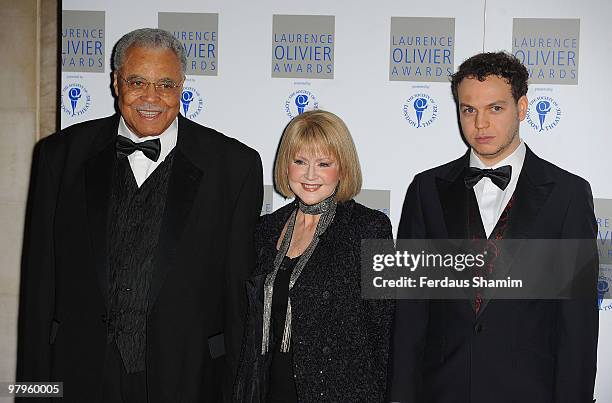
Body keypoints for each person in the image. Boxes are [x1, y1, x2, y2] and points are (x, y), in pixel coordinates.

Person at [17, 28, 262, 402]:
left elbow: (238, 303)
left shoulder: (234, 167)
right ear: (117, 83)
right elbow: (37, 290)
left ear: (182, 88)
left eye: (165, 84)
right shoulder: (59, 157)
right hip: (78, 374)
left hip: (189, 378)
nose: (151, 97)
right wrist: (32, 393)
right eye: (137, 82)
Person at [389, 52, 598, 402]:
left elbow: (577, 322)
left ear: (523, 106)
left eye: (495, 108)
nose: (480, 124)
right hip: (441, 390)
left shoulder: (568, 195)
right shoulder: (425, 190)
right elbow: (411, 310)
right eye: (469, 110)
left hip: (531, 392)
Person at [234, 110, 393, 402]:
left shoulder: (369, 227)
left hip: (340, 393)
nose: (310, 175)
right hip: (270, 389)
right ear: (286, 165)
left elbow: (384, 327)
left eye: (323, 163)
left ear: (342, 168)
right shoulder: (267, 229)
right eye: (300, 162)